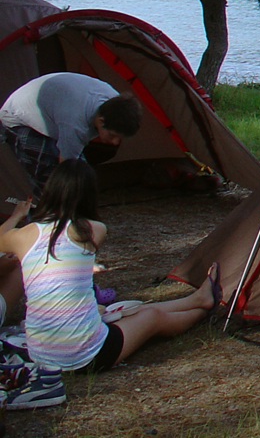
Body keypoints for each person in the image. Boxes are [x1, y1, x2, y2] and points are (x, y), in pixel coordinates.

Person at [0, 160, 218, 409]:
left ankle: (199, 299)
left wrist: (17, 214)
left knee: (136, 312)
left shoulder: (23, 236)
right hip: (88, 355)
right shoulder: (93, 229)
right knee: (152, 316)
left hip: (41, 354)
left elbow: (1, 238)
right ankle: (202, 309)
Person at [0, 73, 143, 196]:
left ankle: (73, 217)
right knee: (52, 178)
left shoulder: (115, 103)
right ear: (101, 121)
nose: (115, 142)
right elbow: (66, 170)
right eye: (113, 135)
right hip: (18, 117)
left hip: (54, 107)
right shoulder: (76, 124)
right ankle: (47, 220)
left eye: (120, 138)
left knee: (82, 178)